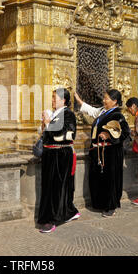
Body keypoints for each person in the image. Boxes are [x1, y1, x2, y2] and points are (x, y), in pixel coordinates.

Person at [75, 89, 130, 217]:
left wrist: (110, 136)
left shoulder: (118, 115)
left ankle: (111, 206)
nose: (103, 100)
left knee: (110, 180)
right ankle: (99, 203)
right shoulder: (103, 112)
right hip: (98, 151)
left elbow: (125, 133)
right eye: (104, 98)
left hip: (110, 152)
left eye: (106, 98)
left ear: (115, 101)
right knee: (98, 178)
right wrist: (78, 100)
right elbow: (91, 110)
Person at [37, 88, 80, 233]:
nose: (53, 100)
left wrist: (49, 122)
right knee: (52, 186)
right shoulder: (57, 113)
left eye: (55, 98)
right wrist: (45, 124)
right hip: (51, 154)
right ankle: (68, 212)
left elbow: (65, 132)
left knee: (55, 187)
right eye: (53, 97)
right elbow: (47, 132)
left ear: (64, 100)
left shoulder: (68, 114)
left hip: (60, 154)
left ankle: (51, 219)